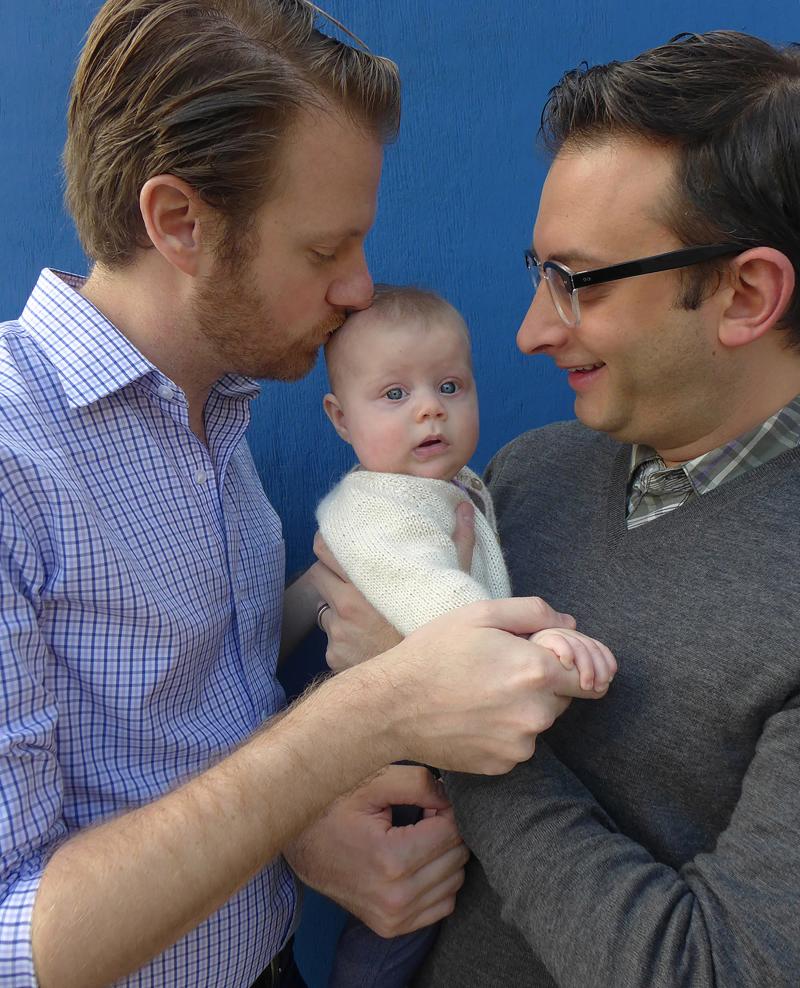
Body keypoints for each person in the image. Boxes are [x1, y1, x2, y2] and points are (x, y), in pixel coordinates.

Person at [0, 2, 611, 986]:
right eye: (325, 251)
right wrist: (367, 717)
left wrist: (298, 832)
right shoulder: (12, 452)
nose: (359, 289)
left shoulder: (222, 413)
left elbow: (194, 757)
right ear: (178, 222)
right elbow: (20, 942)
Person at [408, 29, 800, 987]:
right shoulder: (528, 475)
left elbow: (711, 970)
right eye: (540, 273)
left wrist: (458, 724)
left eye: (575, 282)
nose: (532, 331)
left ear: (745, 293)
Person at [313, 285, 616, 988]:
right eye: (393, 394)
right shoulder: (378, 506)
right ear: (340, 417)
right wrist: (538, 647)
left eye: (450, 385)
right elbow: (434, 598)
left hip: (440, 742)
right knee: (401, 918)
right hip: (401, 763)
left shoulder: (457, 484)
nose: (430, 408)